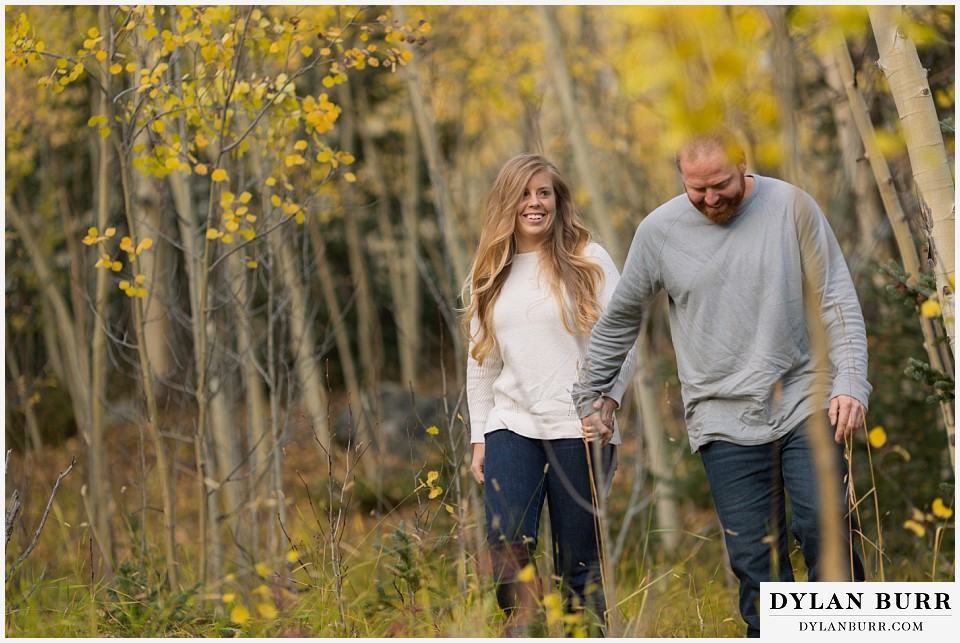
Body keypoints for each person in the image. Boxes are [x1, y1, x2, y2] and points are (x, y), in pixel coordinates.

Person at [573, 129, 870, 638]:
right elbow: (622, 318)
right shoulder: (659, 231)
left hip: (804, 395)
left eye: (721, 185)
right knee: (755, 559)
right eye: (697, 189)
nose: (711, 199)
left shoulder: (791, 207)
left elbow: (835, 298)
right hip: (720, 414)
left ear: (743, 164)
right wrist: (592, 393)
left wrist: (851, 381)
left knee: (825, 527)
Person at [464, 153, 637, 636]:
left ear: (558, 201)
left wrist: (607, 402)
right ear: (507, 201)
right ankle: (525, 629)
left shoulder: (590, 259)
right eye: (524, 194)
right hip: (511, 427)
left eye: (544, 193)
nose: (534, 203)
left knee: (580, 565)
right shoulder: (489, 272)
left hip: (581, 428)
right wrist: (480, 435)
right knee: (506, 547)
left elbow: (625, 341)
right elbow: (481, 364)